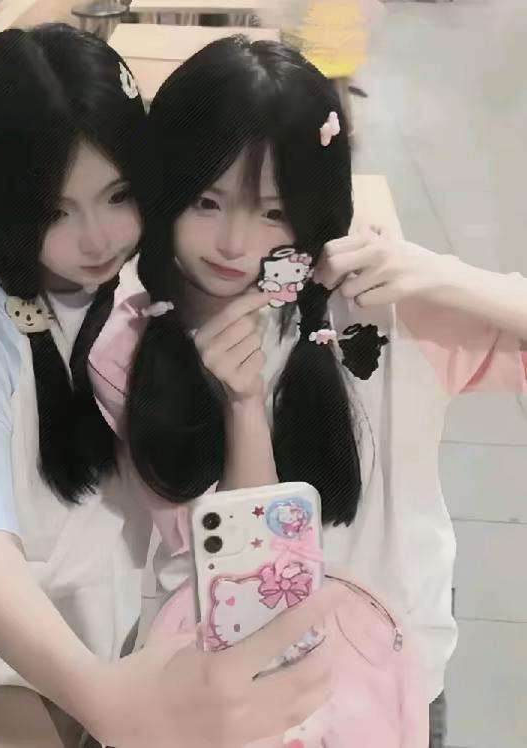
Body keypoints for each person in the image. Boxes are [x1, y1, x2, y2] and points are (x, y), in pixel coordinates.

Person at [0, 25, 344, 748]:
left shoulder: (155, 280)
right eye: (55, 211)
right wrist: (106, 699)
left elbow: (229, 515)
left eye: (118, 195)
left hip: (97, 607)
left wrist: (244, 399)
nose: (98, 238)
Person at [87, 35, 527, 747]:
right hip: (231, 688)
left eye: (272, 212)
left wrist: (435, 274)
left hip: (392, 673)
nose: (234, 243)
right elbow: (247, 564)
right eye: (206, 201)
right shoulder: (129, 348)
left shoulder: (387, 311)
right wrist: (240, 406)